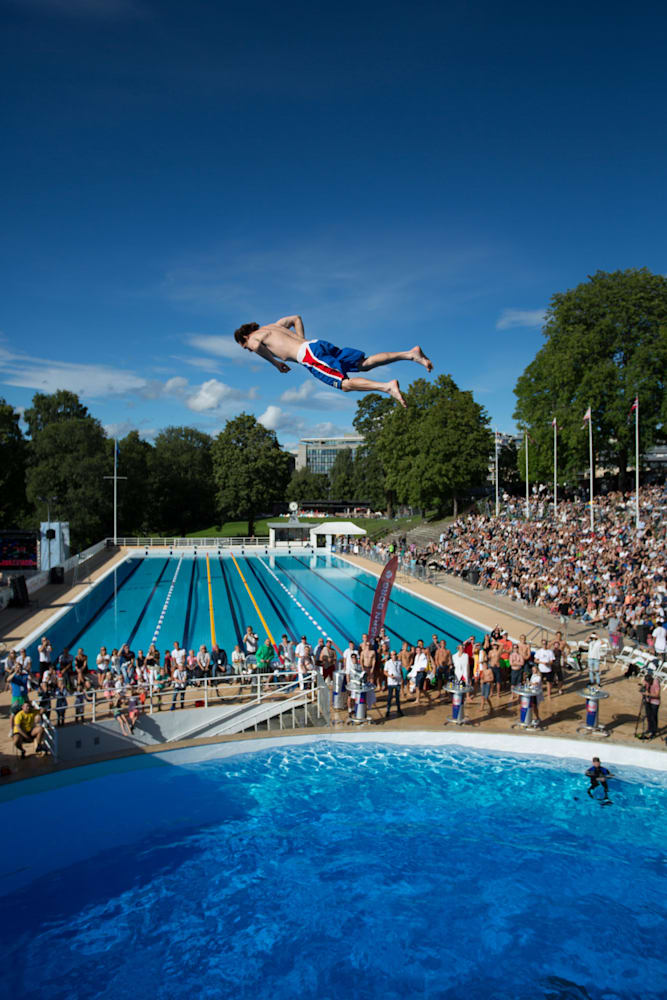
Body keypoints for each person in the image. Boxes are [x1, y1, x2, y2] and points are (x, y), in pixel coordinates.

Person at [234, 315, 433, 408]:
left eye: (245, 348)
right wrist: (303, 339)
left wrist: (276, 364)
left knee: (344, 384)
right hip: (317, 345)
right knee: (363, 364)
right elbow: (296, 318)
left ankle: (387, 387)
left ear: (244, 338)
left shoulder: (252, 339)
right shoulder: (274, 326)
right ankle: (410, 354)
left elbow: (256, 345)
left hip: (309, 356)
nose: (249, 350)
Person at [384, 650, 403, 719]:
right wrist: (390, 676)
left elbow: (400, 671)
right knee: (390, 697)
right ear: (391, 656)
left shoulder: (399, 662)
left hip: (398, 682)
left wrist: (401, 679)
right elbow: (385, 672)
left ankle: (399, 709)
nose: (394, 656)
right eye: (392, 655)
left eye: (395, 654)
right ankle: (388, 710)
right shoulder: (388, 663)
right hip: (391, 683)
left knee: (397, 697)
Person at [642, 670, 661, 739]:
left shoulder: (656, 683)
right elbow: (642, 687)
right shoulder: (646, 682)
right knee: (648, 716)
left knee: (654, 717)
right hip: (648, 701)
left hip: (654, 702)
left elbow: (657, 695)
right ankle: (649, 728)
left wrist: (649, 694)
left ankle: (654, 731)